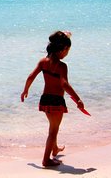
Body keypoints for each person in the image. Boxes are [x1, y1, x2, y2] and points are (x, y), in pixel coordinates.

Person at [20, 31, 85, 167]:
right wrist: (78, 99)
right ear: (62, 50)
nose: (67, 53)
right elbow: (64, 84)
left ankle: (54, 149)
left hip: (45, 99)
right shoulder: (62, 66)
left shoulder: (43, 62)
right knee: (53, 131)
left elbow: (31, 76)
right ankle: (46, 159)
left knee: (53, 126)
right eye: (67, 50)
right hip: (56, 101)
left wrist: (25, 90)